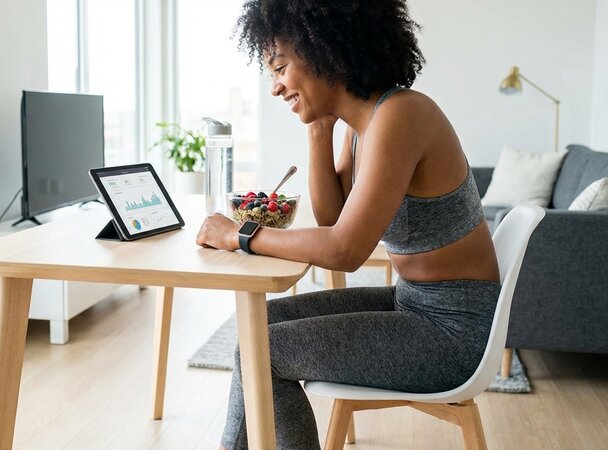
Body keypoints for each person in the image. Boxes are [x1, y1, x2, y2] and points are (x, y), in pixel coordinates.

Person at [195, 0, 501, 449]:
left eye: (280, 68)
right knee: (254, 327)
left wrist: (239, 235)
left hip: (452, 331)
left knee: (265, 351)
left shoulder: (401, 115)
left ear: (324, 53)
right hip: (415, 304)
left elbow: (345, 249)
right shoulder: (364, 126)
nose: (276, 88)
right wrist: (319, 129)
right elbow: (333, 218)